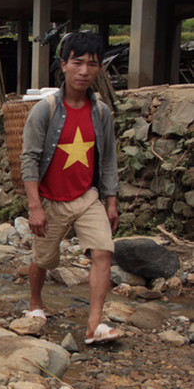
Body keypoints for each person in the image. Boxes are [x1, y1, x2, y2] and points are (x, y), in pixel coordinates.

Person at [20, 31, 121, 345]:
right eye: (77, 63)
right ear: (63, 65)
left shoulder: (101, 112)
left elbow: (108, 160)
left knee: (103, 252)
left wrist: (111, 201)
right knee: (43, 259)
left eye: (91, 64)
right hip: (51, 200)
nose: (84, 71)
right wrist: (35, 207)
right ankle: (36, 303)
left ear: (99, 68)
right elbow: (30, 159)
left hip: (87, 197)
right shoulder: (45, 110)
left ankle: (94, 326)